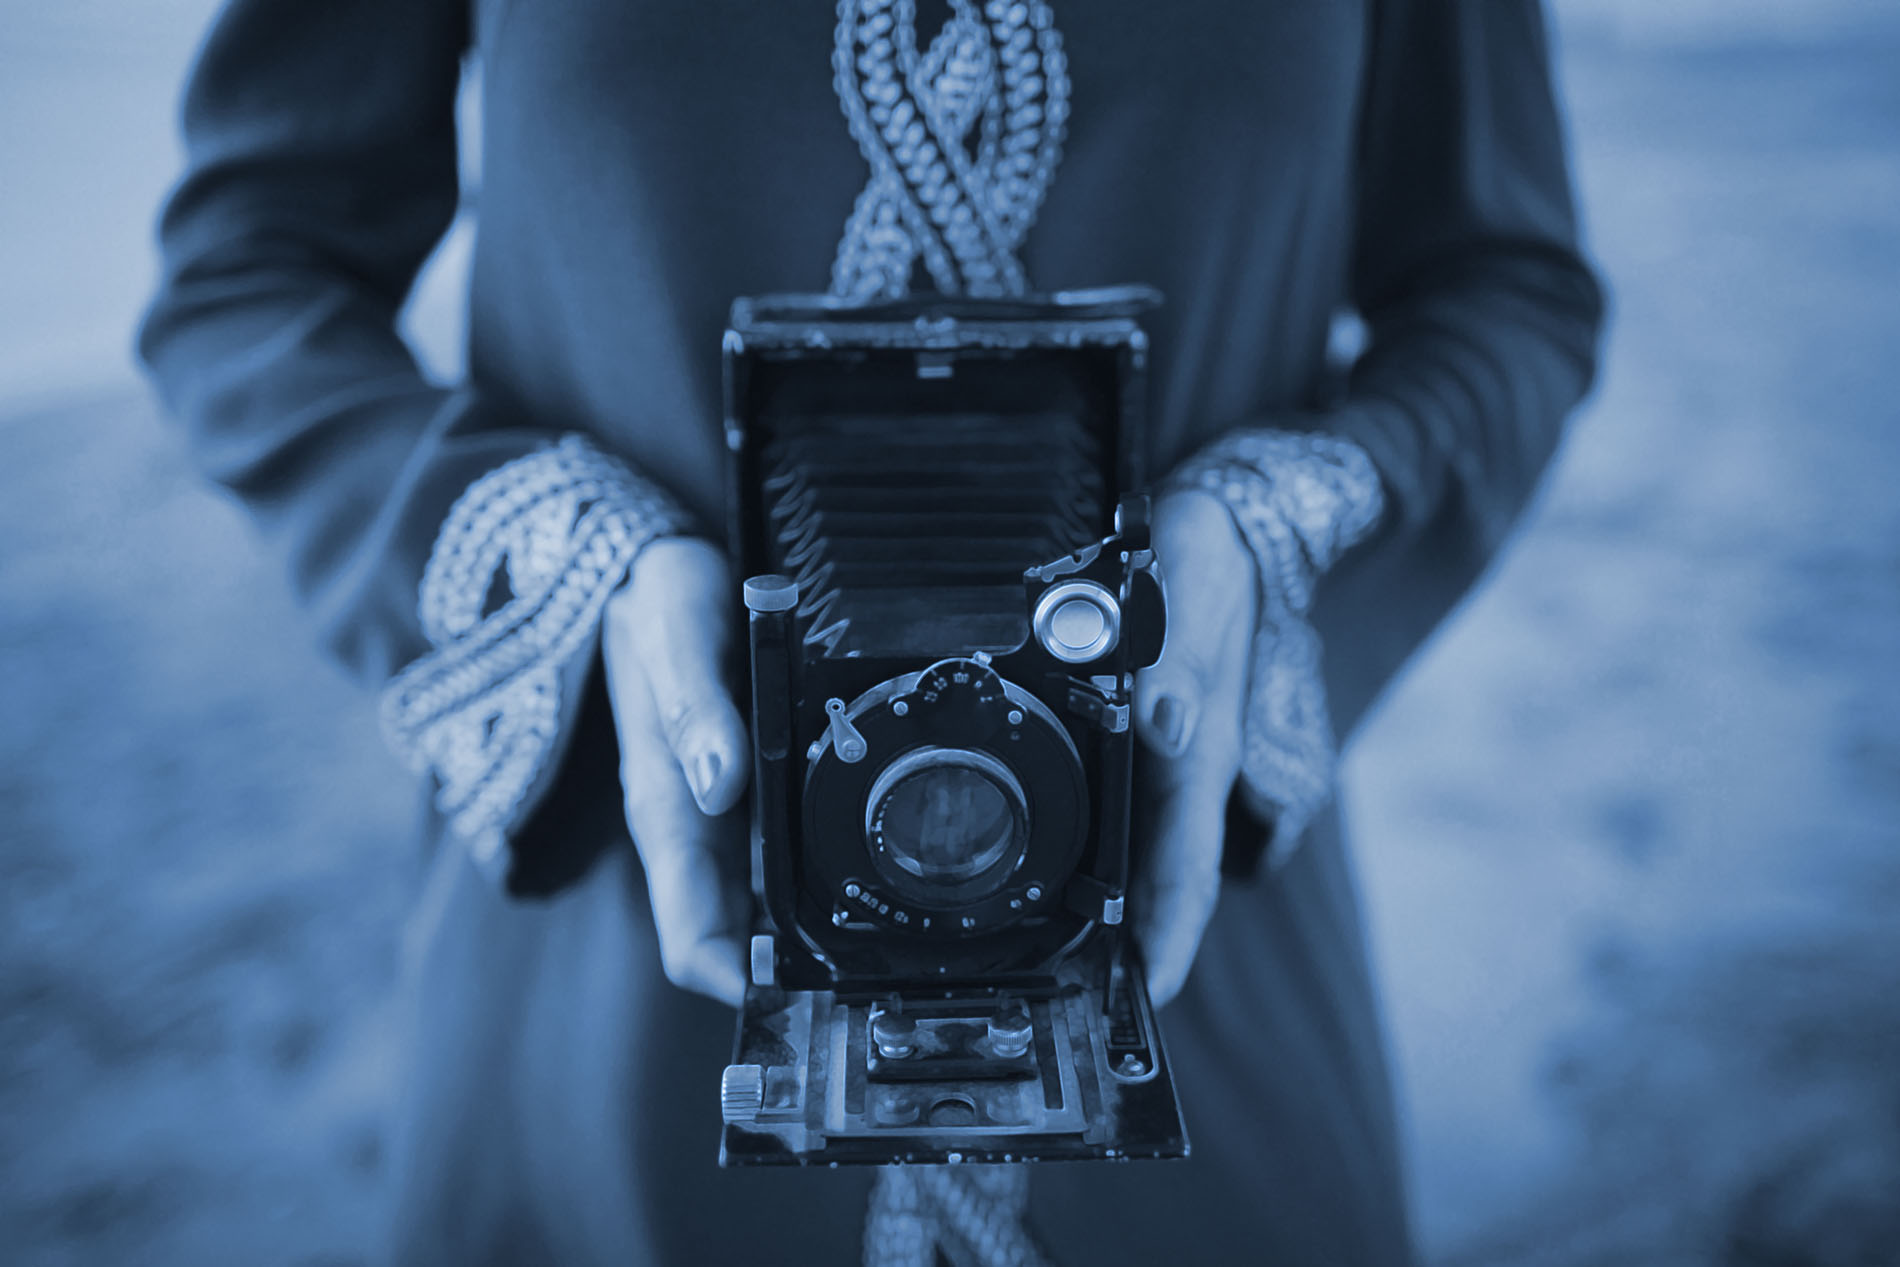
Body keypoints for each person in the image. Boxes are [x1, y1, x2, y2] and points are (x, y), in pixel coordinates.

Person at [139, 1, 1602, 1263]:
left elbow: (1503, 291)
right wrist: (570, 561)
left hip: (1182, 902)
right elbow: (250, 274)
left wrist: (1264, 530)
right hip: (628, 937)